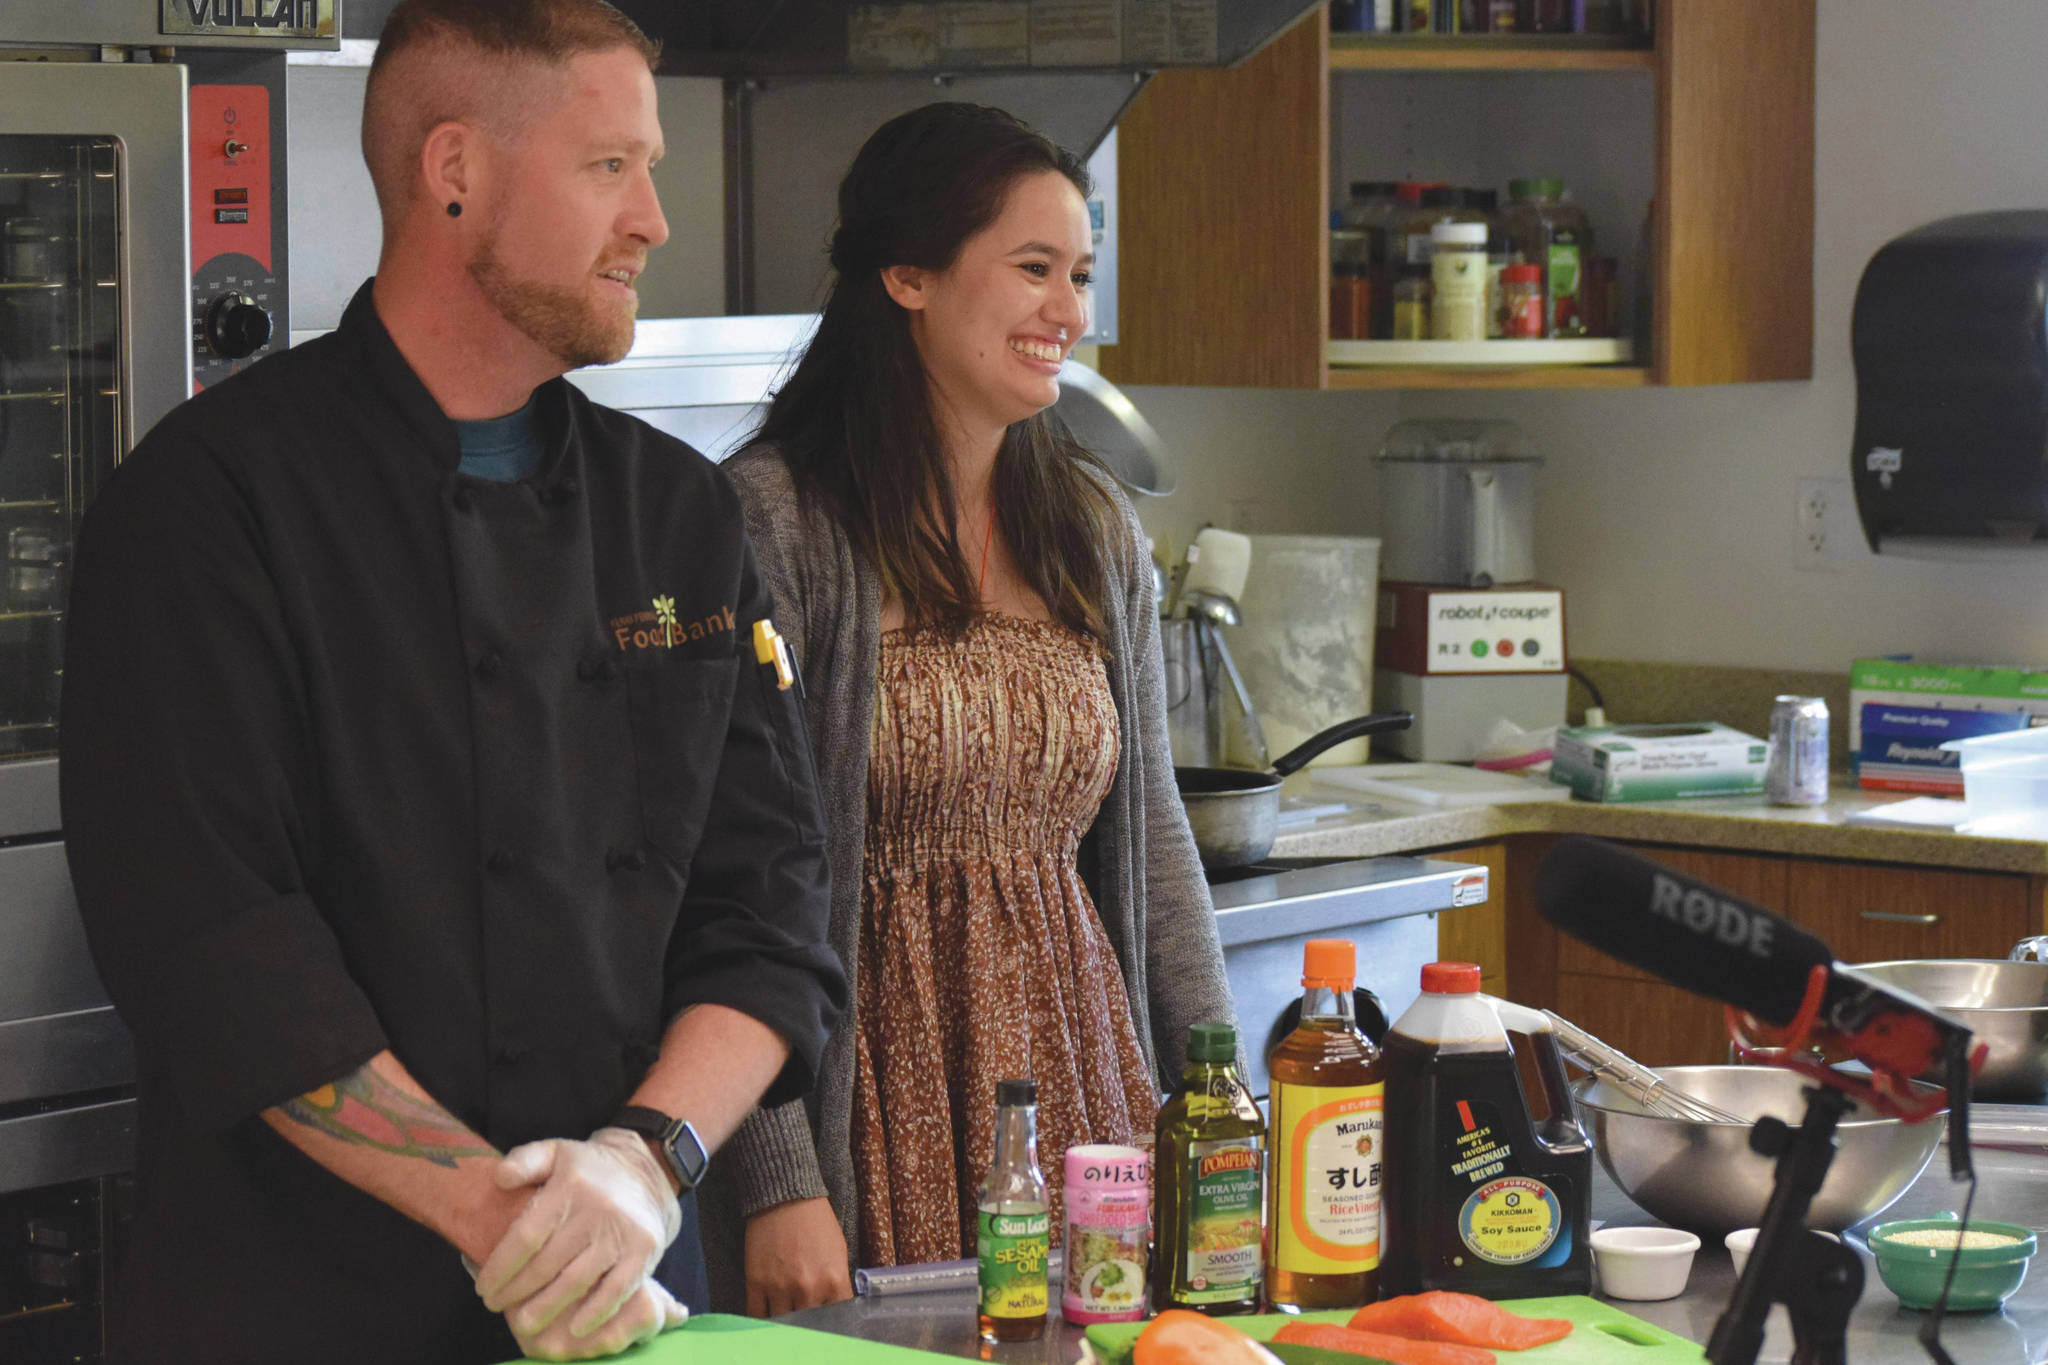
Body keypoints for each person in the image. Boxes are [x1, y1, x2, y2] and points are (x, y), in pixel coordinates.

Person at [58, 2, 844, 1361]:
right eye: (610, 168)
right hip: (302, 1309)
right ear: (455, 171)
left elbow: (769, 904)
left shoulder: (676, 513)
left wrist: (646, 1167)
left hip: (626, 1297)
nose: (653, 218)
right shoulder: (208, 506)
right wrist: (510, 1221)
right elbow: (217, 945)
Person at [708, 102, 1236, 1315]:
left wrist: (1214, 1113)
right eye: (1035, 270)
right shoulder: (774, 523)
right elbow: (715, 880)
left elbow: (1150, 837)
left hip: (1085, 1084)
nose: (1072, 313)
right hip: (877, 1096)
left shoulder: (1091, 530)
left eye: (1082, 275)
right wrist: (775, 1177)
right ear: (905, 273)